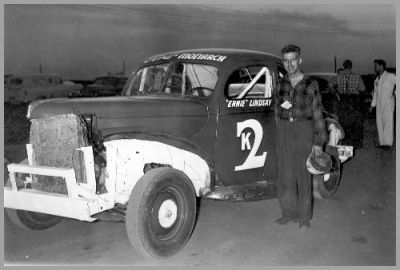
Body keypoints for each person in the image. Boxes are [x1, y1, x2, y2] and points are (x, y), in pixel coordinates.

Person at [274, 44, 327, 229]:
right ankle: (288, 214)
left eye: (293, 60)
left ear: (300, 60)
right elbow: (276, 111)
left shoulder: (311, 84)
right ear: (283, 62)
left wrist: (318, 142)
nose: (289, 64)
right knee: (285, 177)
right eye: (286, 61)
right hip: (284, 132)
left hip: (304, 130)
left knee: (303, 177)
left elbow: (318, 113)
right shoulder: (280, 84)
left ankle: (304, 219)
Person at [328, 60, 366, 148]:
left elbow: (330, 84)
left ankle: (345, 142)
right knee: (356, 121)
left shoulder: (339, 76)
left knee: (344, 121)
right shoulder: (357, 76)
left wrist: (336, 93)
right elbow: (363, 89)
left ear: (344, 66)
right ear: (351, 66)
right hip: (354, 101)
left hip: (343, 100)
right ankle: (356, 143)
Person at [369, 59, 396, 149]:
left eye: (376, 66)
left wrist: (395, 94)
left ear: (381, 66)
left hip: (388, 103)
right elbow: (376, 94)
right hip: (379, 105)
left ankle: (388, 144)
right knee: (379, 122)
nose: (375, 68)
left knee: (388, 123)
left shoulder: (391, 76)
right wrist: (372, 106)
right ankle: (382, 143)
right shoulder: (376, 80)